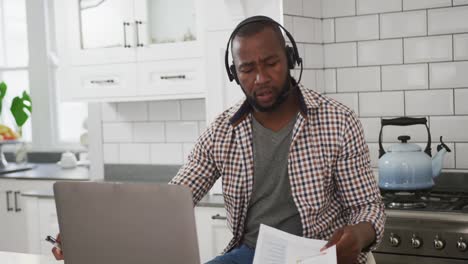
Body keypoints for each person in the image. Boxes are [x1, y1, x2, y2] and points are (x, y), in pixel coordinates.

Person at [53, 15, 385, 264]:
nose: (261, 78)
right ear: (234, 73)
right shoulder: (222, 132)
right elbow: (172, 201)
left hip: (320, 256)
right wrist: (94, 236)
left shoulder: (337, 120)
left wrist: (358, 234)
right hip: (251, 256)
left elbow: (367, 207)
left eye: (270, 63)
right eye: (247, 69)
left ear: (289, 59)